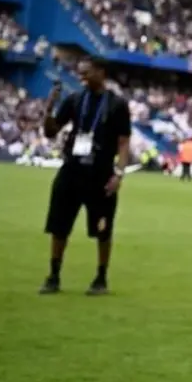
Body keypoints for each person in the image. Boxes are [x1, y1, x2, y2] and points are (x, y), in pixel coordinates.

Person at [38, 58, 131, 296]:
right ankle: (54, 275)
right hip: (72, 169)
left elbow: (123, 143)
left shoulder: (117, 104)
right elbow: (51, 132)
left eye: (87, 72)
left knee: (103, 229)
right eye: (80, 73)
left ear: (101, 72)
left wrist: (119, 174)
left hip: (101, 174)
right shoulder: (74, 100)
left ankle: (101, 278)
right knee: (59, 225)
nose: (82, 77)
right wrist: (49, 110)